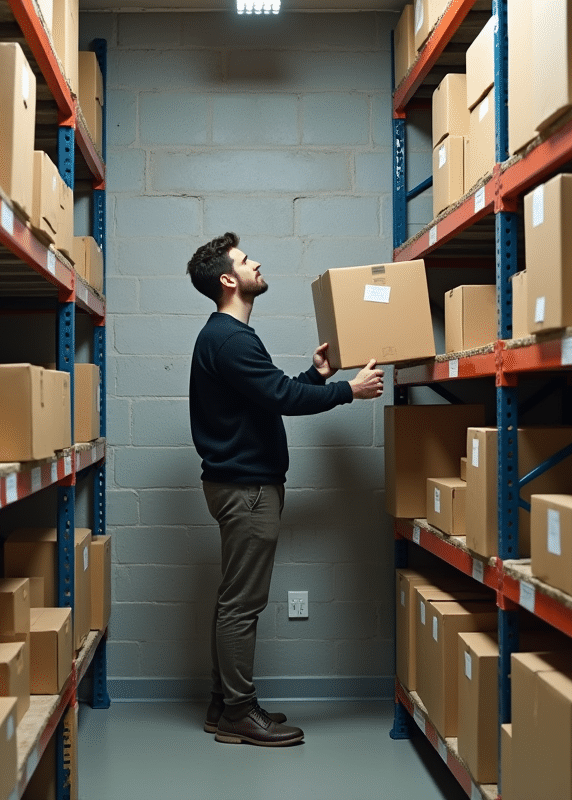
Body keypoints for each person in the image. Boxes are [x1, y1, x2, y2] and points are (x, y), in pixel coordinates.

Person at [186, 232, 386, 747]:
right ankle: (237, 712)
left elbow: (267, 395)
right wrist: (348, 390)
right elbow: (279, 396)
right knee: (242, 604)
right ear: (229, 279)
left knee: (234, 600)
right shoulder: (229, 338)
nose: (258, 263)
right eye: (248, 260)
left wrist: (316, 377)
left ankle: (223, 704)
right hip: (246, 488)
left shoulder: (227, 337)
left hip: (240, 485)